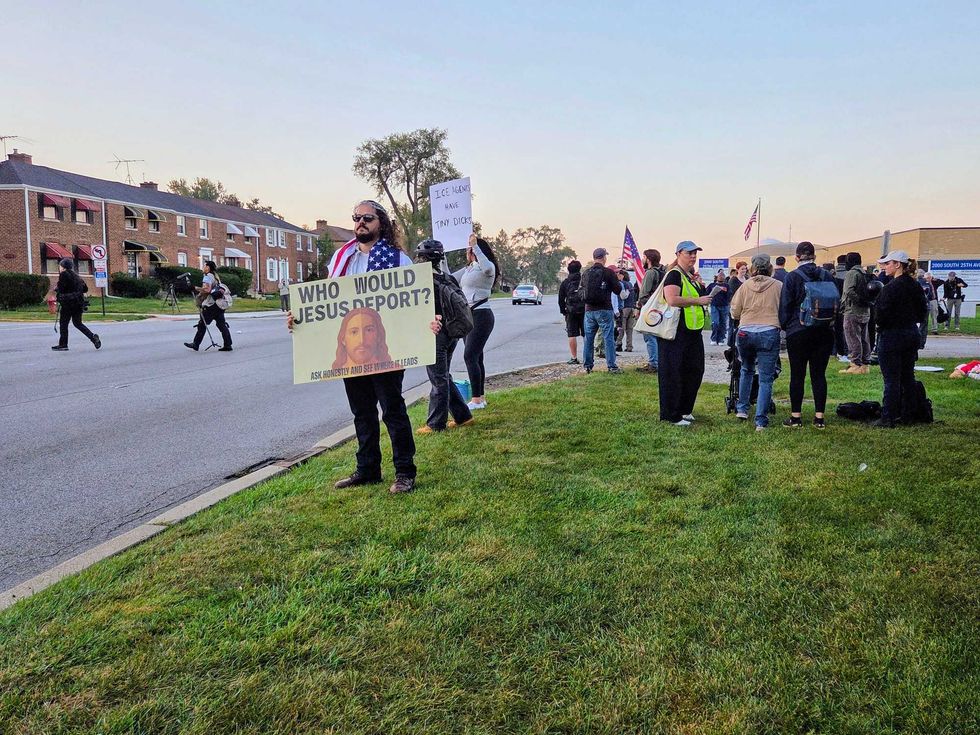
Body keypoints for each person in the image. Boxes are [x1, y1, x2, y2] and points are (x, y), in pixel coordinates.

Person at [295, 199, 417, 494]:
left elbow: (412, 304)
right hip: (354, 350)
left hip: (384, 348)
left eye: (368, 218)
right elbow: (325, 303)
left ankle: (404, 471)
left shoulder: (399, 260)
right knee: (362, 411)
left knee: (393, 410)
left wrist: (427, 324)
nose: (360, 222)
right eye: (357, 217)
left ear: (382, 223)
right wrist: (298, 320)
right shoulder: (341, 260)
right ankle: (367, 469)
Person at [415, 238, 474, 435]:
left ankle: (435, 424)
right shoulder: (447, 277)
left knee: (438, 379)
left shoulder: (424, 281)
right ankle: (463, 416)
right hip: (452, 334)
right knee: (444, 376)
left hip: (436, 335)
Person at [778, 241, 834, 429]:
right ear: (814, 257)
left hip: (799, 330)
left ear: (797, 257)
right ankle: (819, 418)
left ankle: (796, 417)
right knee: (819, 375)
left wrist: (786, 326)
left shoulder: (793, 277)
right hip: (824, 330)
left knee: (797, 375)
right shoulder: (826, 275)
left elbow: (785, 305)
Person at [658, 241, 712, 426]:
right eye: (689, 253)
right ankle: (671, 414)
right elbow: (672, 299)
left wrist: (699, 286)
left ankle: (685, 409)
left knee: (694, 370)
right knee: (673, 372)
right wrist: (698, 300)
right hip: (675, 331)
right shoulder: (674, 275)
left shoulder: (689, 276)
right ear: (678, 253)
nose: (693, 256)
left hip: (692, 331)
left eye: (695, 253)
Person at [872, 250, 927, 427]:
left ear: (898, 265)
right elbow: (922, 311)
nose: (884, 267)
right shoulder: (915, 285)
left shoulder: (890, 288)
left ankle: (888, 416)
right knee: (907, 375)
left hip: (891, 335)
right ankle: (908, 413)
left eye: (888, 263)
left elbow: (880, 315)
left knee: (891, 379)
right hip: (910, 333)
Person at [729, 254, 782, 431]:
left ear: (752, 268)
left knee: (746, 369)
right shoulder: (778, 286)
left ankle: (742, 408)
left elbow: (735, 312)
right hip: (769, 330)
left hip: (745, 331)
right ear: (770, 268)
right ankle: (760, 420)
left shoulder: (744, 286)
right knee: (766, 378)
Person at [451, 233, 499, 410]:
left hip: (482, 315)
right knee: (477, 357)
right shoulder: (469, 269)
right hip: (468, 315)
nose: (467, 252)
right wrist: (441, 259)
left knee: (469, 355)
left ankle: (476, 400)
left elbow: (487, 268)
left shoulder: (486, 267)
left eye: (468, 249)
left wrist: (476, 246)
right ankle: (481, 397)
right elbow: (449, 277)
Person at [581, 248, 623, 374]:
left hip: (589, 310)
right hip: (604, 308)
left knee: (589, 338)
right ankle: (611, 365)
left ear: (594, 257)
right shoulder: (608, 273)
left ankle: (588, 365)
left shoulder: (586, 273)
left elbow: (581, 291)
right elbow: (617, 290)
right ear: (604, 258)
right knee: (608, 337)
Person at [52, 257, 100, 351]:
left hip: (68, 303)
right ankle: (93, 337)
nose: (59, 268)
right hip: (78, 304)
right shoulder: (76, 276)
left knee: (63, 324)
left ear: (64, 267)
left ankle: (63, 344)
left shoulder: (63, 275)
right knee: (78, 323)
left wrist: (57, 288)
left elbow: (61, 288)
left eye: (60, 266)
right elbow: (85, 289)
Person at [184, 260, 233, 352]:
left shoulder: (207, 277)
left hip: (211, 305)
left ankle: (196, 344)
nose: (203, 267)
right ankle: (228, 344)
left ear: (208, 267)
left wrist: (195, 288)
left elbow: (207, 290)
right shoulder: (215, 276)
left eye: (204, 266)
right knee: (222, 325)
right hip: (219, 304)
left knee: (202, 324)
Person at [840, 252, 872, 374]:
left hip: (853, 310)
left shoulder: (851, 273)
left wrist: (858, 301)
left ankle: (855, 364)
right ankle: (865, 364)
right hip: (865, 311)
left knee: (852, 337)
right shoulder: (864, 273)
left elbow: (848, 291)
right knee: (864, 338)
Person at [635, 249, 663, 373]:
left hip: (650, 308)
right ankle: (658, 362)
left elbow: (643, 294)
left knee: (649, 336)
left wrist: (640, 306)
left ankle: (653, 363)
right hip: (660, 309)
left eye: (643, 257)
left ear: (648, 259)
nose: (642, 260)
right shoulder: (663, 272)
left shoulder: (650, 273)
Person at [558, 260, 586, 364]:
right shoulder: (584, 281)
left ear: (569, 270)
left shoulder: (565, 282)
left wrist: (564, 311)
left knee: (572, 335)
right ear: (579, 269)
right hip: (584, 310)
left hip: (571, 311)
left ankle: (574, 357)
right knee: (586, 334)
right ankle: (587, 357)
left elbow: (561, 299)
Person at [617, 270, 638, 352]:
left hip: (624, 307)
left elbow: (622, 296)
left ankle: (618, 344)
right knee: (629, 329)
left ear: (622, 276)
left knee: (621, 327)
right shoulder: (630, 284)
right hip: (631, 307)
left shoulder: (622, 284)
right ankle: (629, 346)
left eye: (619, 275)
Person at [707, 273, 730, 345]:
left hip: (724, 306)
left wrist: (725, 291)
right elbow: (706, 293)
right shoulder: (711, 285)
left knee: (723, 323)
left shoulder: (727, 285)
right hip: (714, 305)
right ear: (716, 277)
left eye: (723, 276)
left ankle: (721, 339)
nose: (721, 277)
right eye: (720, 276)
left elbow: (730, 295)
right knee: (715, 322)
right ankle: (714, 338)